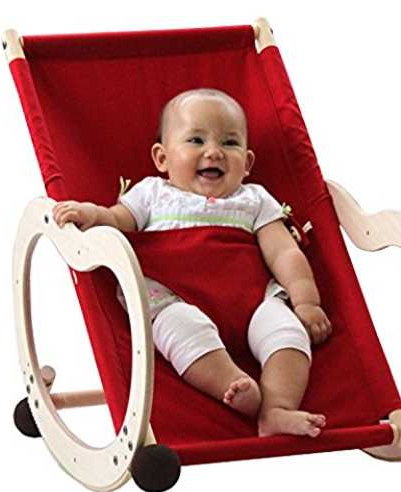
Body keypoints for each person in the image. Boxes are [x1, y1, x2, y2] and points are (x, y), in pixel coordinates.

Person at [52, 88, 332, 438]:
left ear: (247, 163)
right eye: (196, 140)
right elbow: (117, 219)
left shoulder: (255, 199)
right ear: (162, 158)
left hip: (251, 301)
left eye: (229, 142)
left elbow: (284, 253)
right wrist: (91, 214)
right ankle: (232, 384)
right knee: (181, 330)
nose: (214, 152)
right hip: (175, 299)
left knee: (287, 334)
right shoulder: (152, 193)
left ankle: (277, 408)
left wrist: (306, 302)